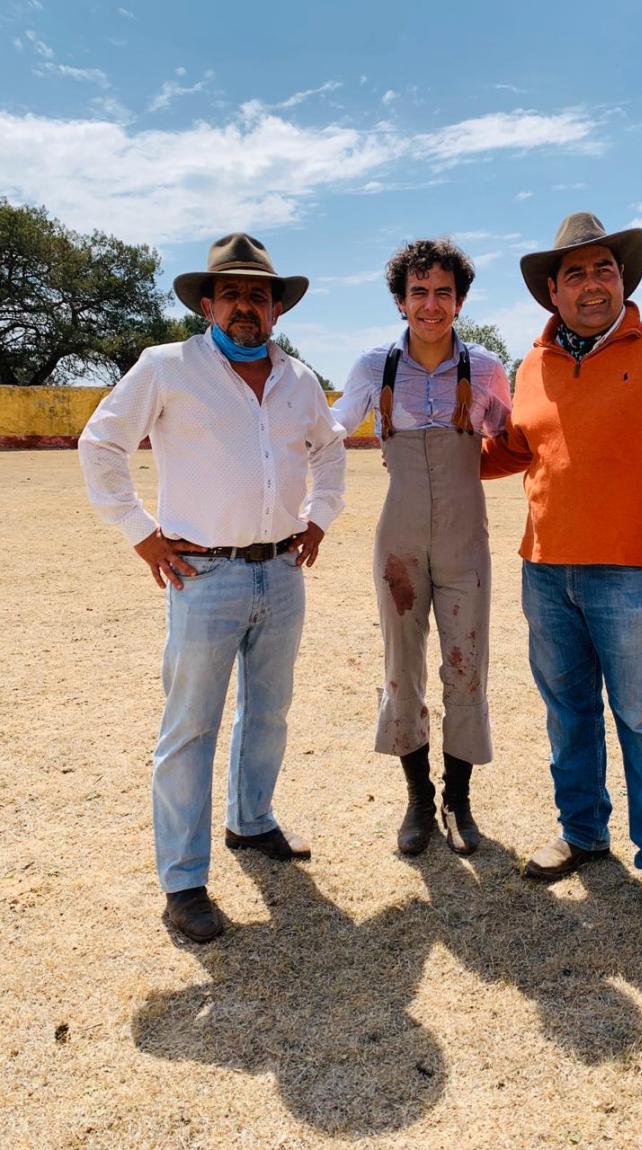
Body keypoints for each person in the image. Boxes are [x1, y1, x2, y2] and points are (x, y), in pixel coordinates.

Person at [79, 233, 346, 943]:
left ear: (277, 308)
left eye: (259, 295)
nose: (245, 306)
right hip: (205, 575)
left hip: (282, 570)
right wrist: (141, 531)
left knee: (270, 710)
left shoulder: (295, 379)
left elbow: (329, 451)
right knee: (190, 726)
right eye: (231, 293)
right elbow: (101, 442)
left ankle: (251, 822)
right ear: (207, 303)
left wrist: (317, 519)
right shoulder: (166, 367)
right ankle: (183, 882)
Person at [481, 213, 642, 940]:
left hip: (629, 578)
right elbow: (518, 452)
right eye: (576, 274)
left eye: (604, 270)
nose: (593, 284)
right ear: (550, 292)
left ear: (622, 281)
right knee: (567, 714)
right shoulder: (533, 365)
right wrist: (448, 445)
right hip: (544, 573)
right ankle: (583, 833)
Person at [332, 239, 511, 856]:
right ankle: (416, 802)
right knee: (401, 665)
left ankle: (458, 802)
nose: (430, 305)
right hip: (399, 539)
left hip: (467, 538)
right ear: (400, 301)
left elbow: (513, 439)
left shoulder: (487, 369)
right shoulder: (371, 367)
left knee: (467, 661)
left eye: (442, 293)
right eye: (418, 293)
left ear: (459, 300)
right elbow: (329, 431)